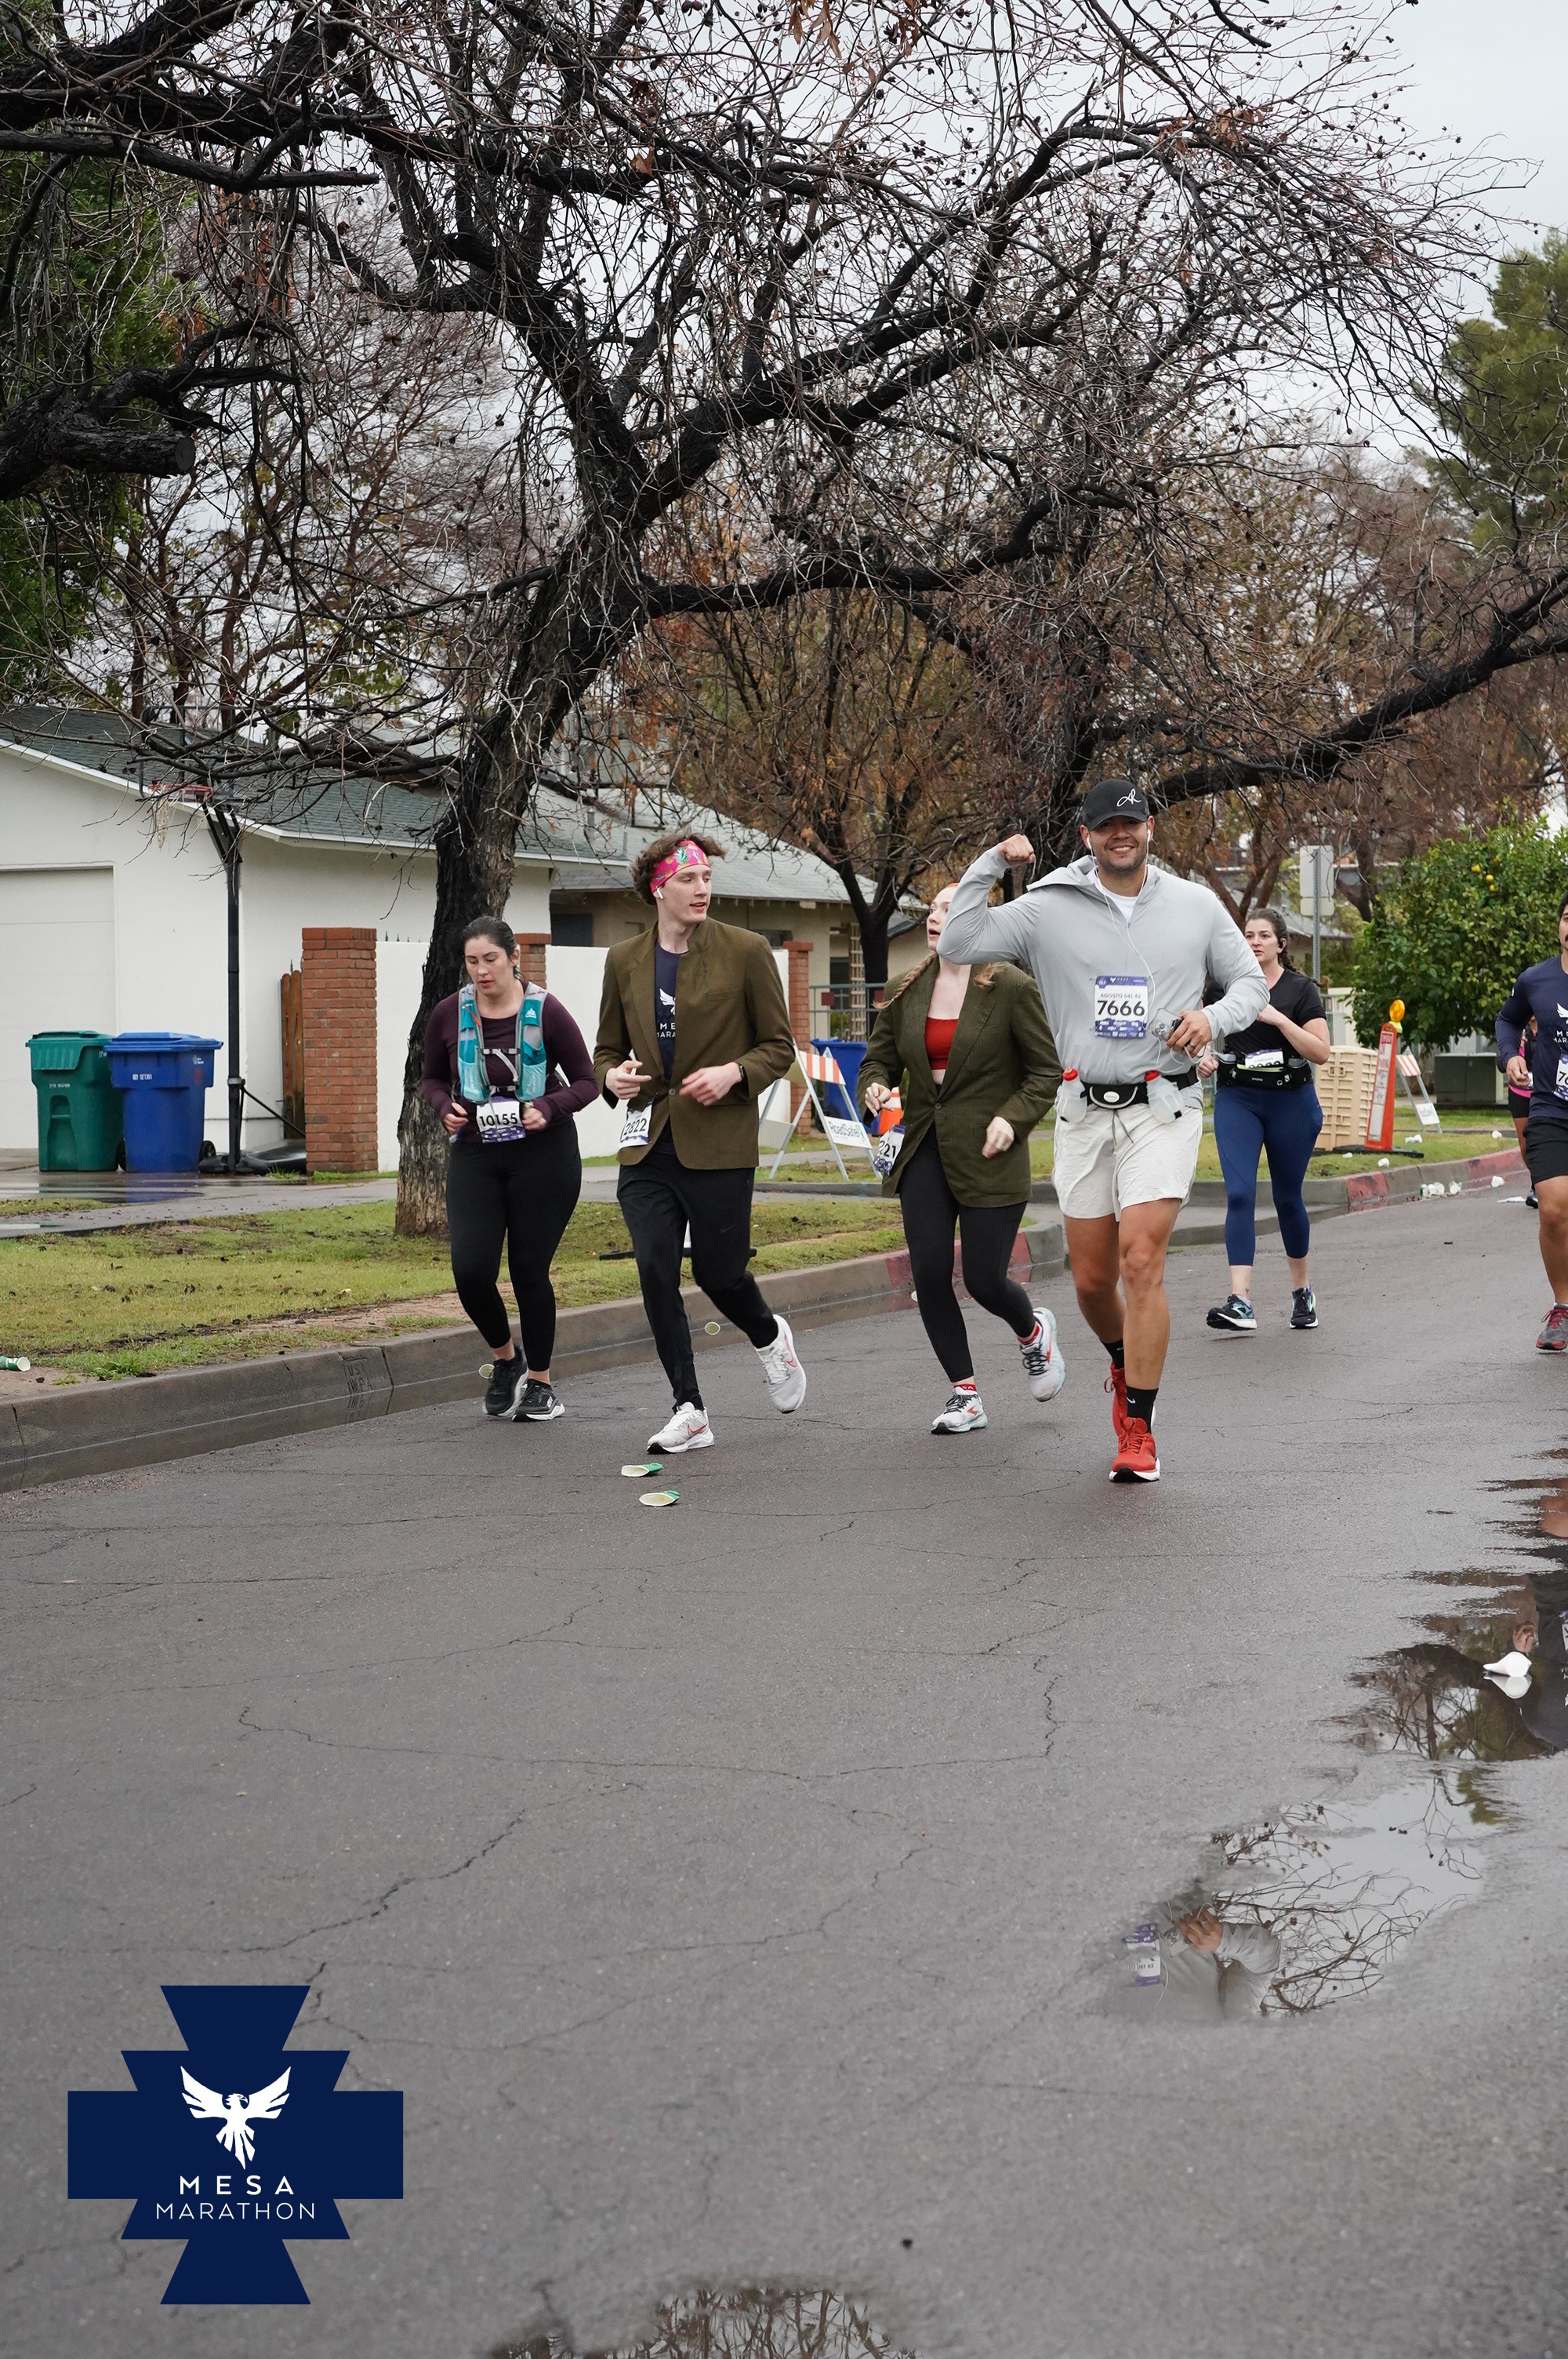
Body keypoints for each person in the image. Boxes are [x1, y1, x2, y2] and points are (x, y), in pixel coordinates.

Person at [937, 777, 1267, 1482]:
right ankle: (1123, 1362)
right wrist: (992, 862)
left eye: (1132, 822)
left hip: (1164, 1105)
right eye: (1107, 825)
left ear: (1150, 829)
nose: (1122, 833)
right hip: (1082, 1111)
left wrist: (1211, 1018)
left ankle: (1139, 1427)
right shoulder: (1047, 906)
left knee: (1141, 1259)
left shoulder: (1195, 906)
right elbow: (960, 941)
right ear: (1086, 835)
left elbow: (1251, 985)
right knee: (1091, 1281)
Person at [594, 831, 805, 1453]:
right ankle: (689, 1407)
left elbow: (779, 1047)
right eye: (688, 879)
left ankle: (769, 1337)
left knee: (721, 1274)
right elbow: (606, 1049)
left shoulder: (746, 951)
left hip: (719, 1142)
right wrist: (611, 1076)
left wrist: (734, 1073)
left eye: (707, 877)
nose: (702, 888)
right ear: (658, 889)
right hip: (649, 1144)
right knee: (655, 1268)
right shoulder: (624, 960)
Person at [857, 883, 1064, 1434]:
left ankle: (1032, 1331)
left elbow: (1045, 1072)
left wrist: (1012, 1119)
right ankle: (964, 1393)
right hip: (923, 1146)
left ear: (978, 920)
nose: (935, 917)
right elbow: (877, 1062)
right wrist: (874, 1086)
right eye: (932, 909)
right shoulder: (905, 988)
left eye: (950, 909)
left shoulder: (1011, 987)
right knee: (928, 1272)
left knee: (984, 1280)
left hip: (990, 1151)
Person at [422, 914, 598, 1421]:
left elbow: (586, 1082)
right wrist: (443, 1107)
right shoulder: (449, 1013)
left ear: (514, 957)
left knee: (527, 1269)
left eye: (491, 959)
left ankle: (541, 1383)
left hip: (544, 1154)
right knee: (470, 1271)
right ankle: (507, 1359)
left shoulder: (547, 1010)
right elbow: (431, 1079)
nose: (482, 971)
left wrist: (549, 1107)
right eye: (472, 962)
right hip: (477, 1153)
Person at [1200, 907, 1330, 1336]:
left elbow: (1321, 1051)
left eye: (1263, 935)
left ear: (1281, 943)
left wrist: (1277, 1017)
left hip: (1291, 1101)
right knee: (1239, 1193)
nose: (1254, 941)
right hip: (1238, 1098)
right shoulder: (1224, 986)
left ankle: (1302, 1292)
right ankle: (1240, 1301)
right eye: (1248, 935)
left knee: (1287, 1198)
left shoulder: (1300, 989)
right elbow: (1194, 1028)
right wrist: (1200, 1056)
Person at [1497, 893, 1568, 1351]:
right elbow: (1508, 1021)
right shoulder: (1536, 979)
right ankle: (1563, 1308)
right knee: (1554, 1208)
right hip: (1551, 1110)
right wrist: (1510, 1057)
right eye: (1567, 917)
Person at [1507, 1016, 1537, 1208]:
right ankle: (1537, 1183)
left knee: (1545, 1139)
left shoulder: (1553, 1026)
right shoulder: (1518, 1031)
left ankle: (1544, 1186)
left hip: (1545, 1093)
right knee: (1526, 1145)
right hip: (1520, 1092)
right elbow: (1502, 1062)